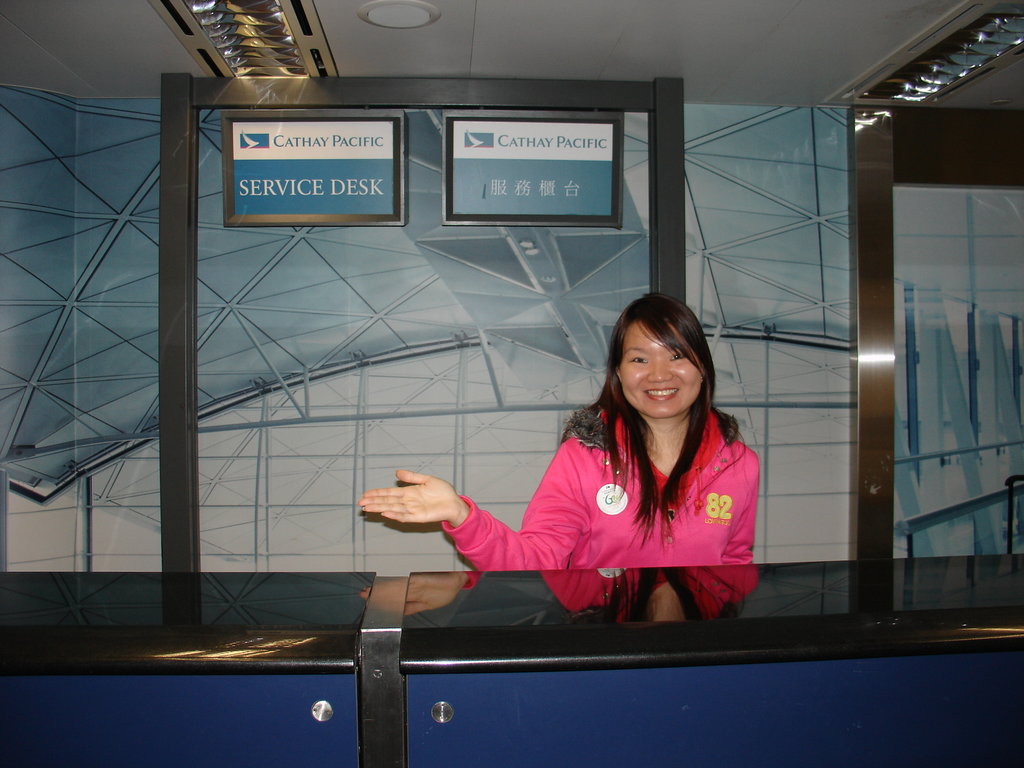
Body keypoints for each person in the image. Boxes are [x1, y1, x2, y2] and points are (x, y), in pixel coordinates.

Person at [358, 292, 759, 570]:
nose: (659, 375)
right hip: (607, 648)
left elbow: (734, 565)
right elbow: (537, 560)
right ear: (618, 373)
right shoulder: (584, 458)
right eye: (639, 359)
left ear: (702, 367)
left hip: (697, 648)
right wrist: (463, 516)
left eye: (677, 356)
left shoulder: (739, 465)